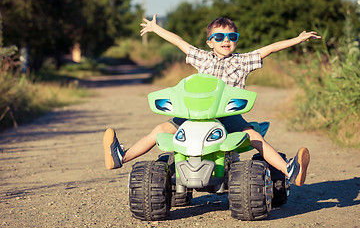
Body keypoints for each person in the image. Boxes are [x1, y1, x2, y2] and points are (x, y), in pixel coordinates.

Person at [103, 14, 321, 186]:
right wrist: (155, 28)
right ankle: (122, 157)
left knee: (254, 136)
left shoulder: (243, 61)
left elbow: (270, 48)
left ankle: (290, 170)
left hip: (227, 116)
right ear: (210, 42)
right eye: (219, 37)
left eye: (231, 37)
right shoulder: (202, 57)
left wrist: (298, 39)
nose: (226, 41)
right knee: (160, 130)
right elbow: (178, 41)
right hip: (195, 114)